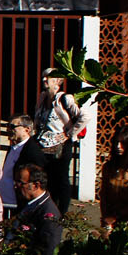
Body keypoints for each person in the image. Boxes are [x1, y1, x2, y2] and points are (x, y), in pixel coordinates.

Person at [31, 69, 86, 213]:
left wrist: (70, 134)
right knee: (46, 179)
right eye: (43, 77)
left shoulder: (65, 99)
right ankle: (47, 210)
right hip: (43, 145)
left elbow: (84, 117)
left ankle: (61, 212)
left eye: (48, 78)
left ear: (58, 81)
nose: (44, 80)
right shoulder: (43, 98)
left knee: (61, 179)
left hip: (60, 147)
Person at [13, 163, 62, 255]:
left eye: (20, 183)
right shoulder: (29, 203)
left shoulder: (49, 213)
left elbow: (48, 250)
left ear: (36, 185)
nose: (16, 186)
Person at [0, 115, 35, 206]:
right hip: (3, 200)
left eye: (12, 127)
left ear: (27, 130)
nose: (8, 130)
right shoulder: (13, 148)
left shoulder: (32, 152)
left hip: (16, 204)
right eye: (7, 126)